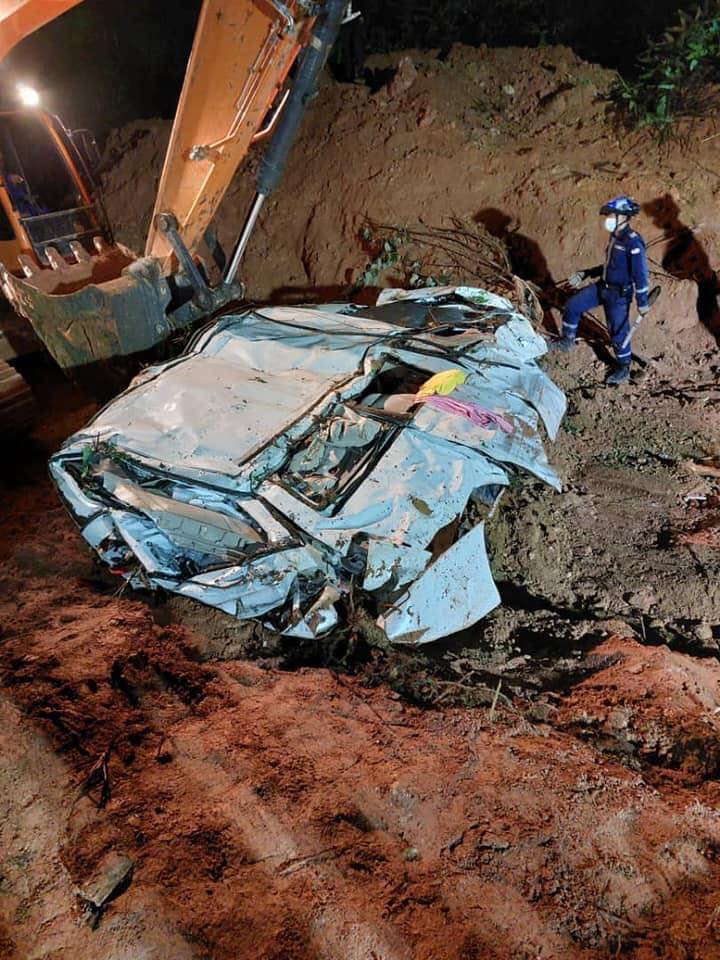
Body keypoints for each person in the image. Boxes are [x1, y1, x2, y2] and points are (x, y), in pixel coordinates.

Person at [551, 195, 652, 385]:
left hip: (619, 295)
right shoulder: (615, 237)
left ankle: (623, 366)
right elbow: (609, 266)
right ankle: (567, 340)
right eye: (610, 215)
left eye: (614, 215)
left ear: (624, 217)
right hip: (602, 287)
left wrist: (643, 302)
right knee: (572, 305)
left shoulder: (633, 242)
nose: (610, 218)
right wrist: (586, 273)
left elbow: (640, 275)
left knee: (619, 332)